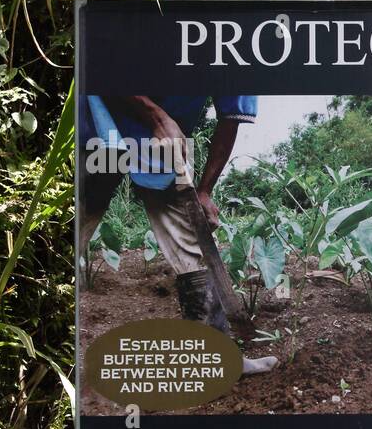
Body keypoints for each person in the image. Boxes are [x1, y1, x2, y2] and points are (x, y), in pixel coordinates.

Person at [78, 95, 277, 376]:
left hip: (162, 142)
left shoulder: (237, 59)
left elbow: (231, 119)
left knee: (191, 241)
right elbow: (106, 62)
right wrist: (157, 117)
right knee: (77, 216)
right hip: (101, 113)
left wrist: (205, 191)